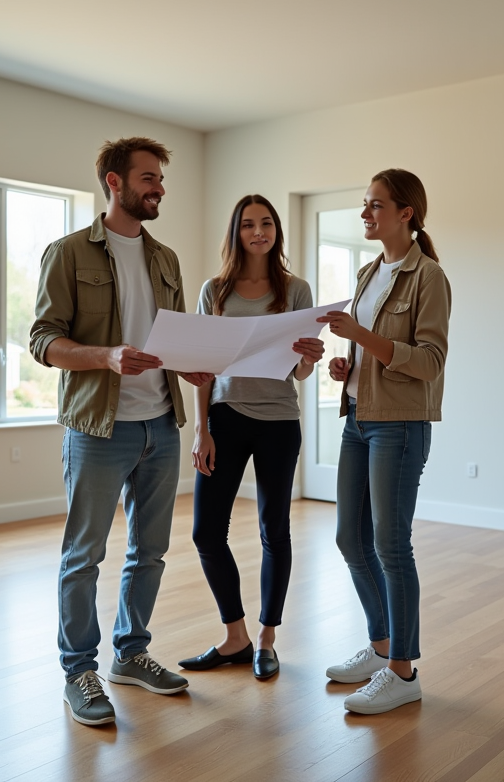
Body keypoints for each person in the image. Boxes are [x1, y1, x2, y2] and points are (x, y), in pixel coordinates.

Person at [30, 137, 214, 727]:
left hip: (160, 424)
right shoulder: (67, 254)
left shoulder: (165, 260)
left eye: (160, 180)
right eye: (148, 179)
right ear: (114, 182)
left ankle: (131, 654)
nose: (158, 188)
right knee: (84, 554)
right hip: (98, 428)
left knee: (151, 552)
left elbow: (175, 344)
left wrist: (193, 366)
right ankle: (78, 670)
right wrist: (106, 357)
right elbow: (43, 341)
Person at [316, 169, 451, 714]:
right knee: (351, 538)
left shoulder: (429, 277)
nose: (366, 214)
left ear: (406, 213)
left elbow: (430, 362)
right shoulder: (369, 271)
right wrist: (348, 365)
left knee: (391, 545)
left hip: (399, 425)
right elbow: (375, 351)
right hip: (358, 417)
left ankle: (403, 670)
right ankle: (381, 647)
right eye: (364, 205)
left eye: (375, 205)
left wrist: (364, 338)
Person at [178, 195, 324, 680]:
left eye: (266, 223)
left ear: (276, 231)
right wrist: (201, 431)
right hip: (225, 417)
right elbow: (202, 371)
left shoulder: (296, 290)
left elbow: (300, 373)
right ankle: (235, 635)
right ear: (236, 232)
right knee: (205, 532)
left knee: (273, 529)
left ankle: (266, 638)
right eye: (248, 224)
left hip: (279, 421)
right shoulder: (214, 291)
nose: (258, 232)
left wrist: (310, 357)